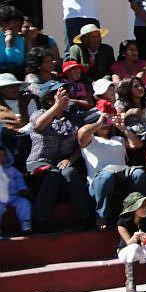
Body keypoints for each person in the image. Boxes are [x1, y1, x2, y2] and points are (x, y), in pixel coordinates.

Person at [25, 81, 95, 231]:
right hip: (38, 161)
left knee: (70, 173)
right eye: (61, 95)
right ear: (50, 99)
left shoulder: (73, 117)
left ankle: (85, 218)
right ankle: (39, 220)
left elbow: (80, 144)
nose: (66, 97)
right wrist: (56, 106)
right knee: (53, 174)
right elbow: (38, 126)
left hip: (62, 161)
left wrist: (70, 159)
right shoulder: (39, 113)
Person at [78, 110, 146, 227]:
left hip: (123, 173)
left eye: (107, 121)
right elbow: (82, 133)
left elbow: (137, 144)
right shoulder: (89, 141)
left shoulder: (117, 139)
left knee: (139, 173)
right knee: (107, 176)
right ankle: (102, 216)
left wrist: (123, 128)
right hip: (100, 179)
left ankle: (137, 212)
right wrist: (99, 123)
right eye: (102, 121)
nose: (105, 124)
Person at [115, 77, 146, 165]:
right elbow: (118, 121)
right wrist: (129, 113)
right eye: (136, 86)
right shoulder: (122, 103)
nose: (140, 88)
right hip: (133, 134)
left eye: (141, 85)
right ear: (128, 89)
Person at [0, 143, 31, 237]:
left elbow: (20, 181)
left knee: (24, 203)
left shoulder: (13, 170)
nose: (0, 158)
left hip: (14, 196)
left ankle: (25, 223)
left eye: (2, 155)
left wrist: (23, 190)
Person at [0, 5, 26, 76]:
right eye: (13, 22)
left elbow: (18, 62)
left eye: (18, 23)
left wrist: (9, 44)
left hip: (13, 76)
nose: (16, 26)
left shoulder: (19, 40)